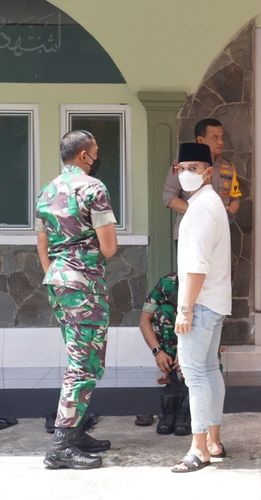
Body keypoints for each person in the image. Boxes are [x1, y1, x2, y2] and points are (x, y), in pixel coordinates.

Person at [36, 130, 118, 469]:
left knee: (83, 357)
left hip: (58, 280)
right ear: (84, 155)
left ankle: (77, 429)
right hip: (84, 284)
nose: (97, 158)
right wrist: (81, 269)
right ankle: (61, 445)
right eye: (95, 152)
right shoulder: (93, 188)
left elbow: (41, 244)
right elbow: (109, 247)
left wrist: (59, 273)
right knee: (83, 363)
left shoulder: (47, 191)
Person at [170, 143, 231, 473]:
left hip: (201, 303)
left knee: (195, 375)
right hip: (213, 302)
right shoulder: (209, 204)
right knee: (209, 371)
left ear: (208, 172)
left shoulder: (202, 208)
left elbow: (196, 266)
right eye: (182, 167)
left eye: (195, 167)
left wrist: (185, 308)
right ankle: (213, 440)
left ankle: (198, 448)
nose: (187, 173)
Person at [163, 118, 243, 239]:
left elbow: (235, 198)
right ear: (200, 140)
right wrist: (201, 213)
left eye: (222, 137)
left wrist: (227, 213)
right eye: (215, 138)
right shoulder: (180, 164)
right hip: (190, 233)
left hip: (219, 234)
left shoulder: (228, 167)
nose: (221, 142)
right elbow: (169, 197)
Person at [138, 272, 191, 435]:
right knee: (163, 312)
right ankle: (173, 378)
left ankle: (187, 411)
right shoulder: (167, 283)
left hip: (197, 345)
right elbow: (144, 321)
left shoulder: (206, 282)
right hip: (172, 347)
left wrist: (186, 353)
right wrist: (157, 352)